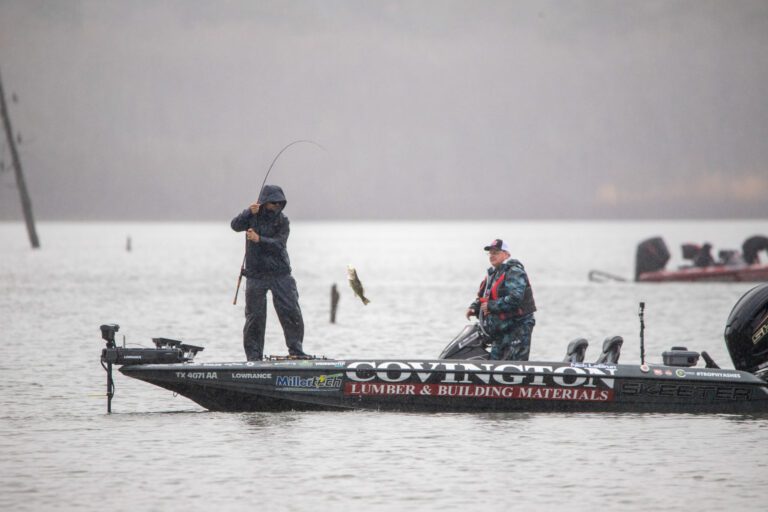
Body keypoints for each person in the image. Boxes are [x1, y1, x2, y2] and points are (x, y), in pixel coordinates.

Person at [231, 184, 306, 361]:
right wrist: (248, 212)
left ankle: (296, 350)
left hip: (281, 274)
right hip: (255, 275)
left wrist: (259, 239)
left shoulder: (283, 221)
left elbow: (280, 244)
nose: (276, 207)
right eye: (273, 203)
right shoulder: (252, 216)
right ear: (264, 202)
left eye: (280, 204)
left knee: (291, 312)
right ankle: (254, 357)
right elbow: (235, 225)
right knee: (254, 318)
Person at [466, 239, 536, 361]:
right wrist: (474, 307)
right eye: (491, 253)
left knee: (514, 366)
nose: (492, 255)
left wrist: (490, 306)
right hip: (500, 331)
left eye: (496, 252)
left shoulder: (514, 271)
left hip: (517, 328)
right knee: (495, 363)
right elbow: (484, 296)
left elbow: (515, 299)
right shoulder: (493, 274)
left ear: (506, 254)